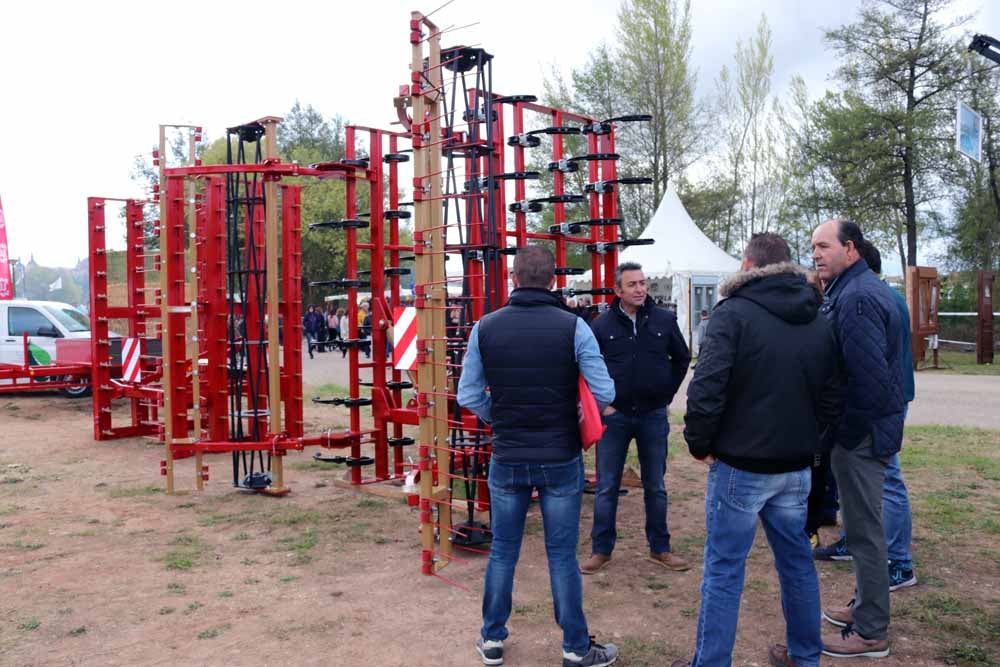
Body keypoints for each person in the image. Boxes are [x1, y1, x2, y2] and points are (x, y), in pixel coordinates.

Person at [676, 233, 840, 667]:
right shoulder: (817, 314)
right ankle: (806, 657)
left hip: (743, 466)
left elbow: (707, 389)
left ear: (747, 264)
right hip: (794, 463)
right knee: (797, 562)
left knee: (725, 570)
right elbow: (830, 396)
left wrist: (700, 444)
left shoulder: (735, 314)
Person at [457, 245, 620, 667]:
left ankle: (492, 640)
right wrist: (571, 416)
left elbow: (468, 394)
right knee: (562, 555)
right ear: (553, 281)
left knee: (503, 551)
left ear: (513, 277)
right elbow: (605, 391)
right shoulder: (573, 327)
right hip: (560, 456)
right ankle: (575, 647)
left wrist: (501, 418)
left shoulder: (485, 328)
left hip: (508, 455)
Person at [811, 219, 905, 658]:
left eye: (823, 246)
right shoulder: (852, 290)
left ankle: (871, 632)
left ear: (850, 249)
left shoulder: (859, 298)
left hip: (861, 435)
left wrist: (844, 436)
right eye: (812, 247)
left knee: (865, 532)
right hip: (861, 431)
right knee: (860, 526)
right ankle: (866, 606)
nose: (816, 254)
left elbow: (868, 383)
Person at [814, 243, 917, 593]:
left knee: (888, 478)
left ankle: (900, 561)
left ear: (856, 258)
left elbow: (874, 366)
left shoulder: (870, 298)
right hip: (882, 398)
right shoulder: (874, 294)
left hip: (884, 401)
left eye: (824, 248)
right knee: (857, 481)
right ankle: (850, 538)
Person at [581, 261, 691, 575]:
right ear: (618, 291)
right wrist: (603, 405)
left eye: (642, 283)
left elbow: (682, 358)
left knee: (655, 484)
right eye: (632, 284)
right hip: (614, 418)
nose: (640, 289)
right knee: (606, 486)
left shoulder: (664, 320)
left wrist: (665, 396)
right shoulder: (600, 325)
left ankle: (660, 548)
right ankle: (601, 550)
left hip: (652, 416)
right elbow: (587, 367)